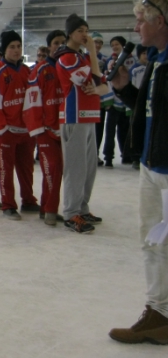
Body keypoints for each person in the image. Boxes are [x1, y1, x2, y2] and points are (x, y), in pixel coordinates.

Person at [108, 0, 168, 344]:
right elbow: (150, 113)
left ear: (160, 22)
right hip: (151, 163)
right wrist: (125, 90)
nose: (136, 27)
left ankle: (161, 313)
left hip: (166, 169)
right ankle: (159, 311)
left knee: (162, 244)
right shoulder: (157, 60)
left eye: (141, 21)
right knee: (153, 242)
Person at [54, 14, 108, 234]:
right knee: (76, 168)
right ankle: (71, 212)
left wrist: (97, 87)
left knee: (89, 168)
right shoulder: (67, 57)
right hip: (74, 116)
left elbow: (103, 86)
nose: (85, 35)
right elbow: (93, 79)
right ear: (70, 33)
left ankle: (82, 207)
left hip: (90, 116)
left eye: (86, 30)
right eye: (80, 31)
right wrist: (93, 52)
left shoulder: (82, 58)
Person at [0, 31, 39, 220]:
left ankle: (28, 200)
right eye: (12, 47)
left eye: (19, 46)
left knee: (26, 168)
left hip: (25, 130)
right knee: (6, 169)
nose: (16, 50)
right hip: (7, 130)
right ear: (5, 49)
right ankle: (8, 204)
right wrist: (1, 129)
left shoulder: (26, 71)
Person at [23, 29, 66, 226]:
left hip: (65, 128)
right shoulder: (41, 70)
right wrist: (38, 128)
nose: (60, 46)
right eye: (56, 42)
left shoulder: (68, 67)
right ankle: (50, 210)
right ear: (49, 46)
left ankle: (47, 208)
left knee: (58, 170)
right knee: (53, 168)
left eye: (63, 42)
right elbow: (31, 102)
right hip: (45, 130)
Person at [103, 35, 134, 168]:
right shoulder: (110, 61)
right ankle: (108, 157)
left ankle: (126, 156)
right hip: (114, 102)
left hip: (127, 102)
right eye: (112, 45)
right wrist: (108, 101)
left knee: (125, 130)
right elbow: (107, 81)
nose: (114, 47)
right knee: (110, 131)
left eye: (117, 44)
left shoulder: (132, 60)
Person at [91, 31, 108, 165]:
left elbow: (108, 81)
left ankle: (95, 154)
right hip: (89, 99)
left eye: (100, 42)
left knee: (99, 129)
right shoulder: (84, 57)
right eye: (95, 42)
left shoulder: (105, 60)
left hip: (101, 99)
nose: (97, 45)